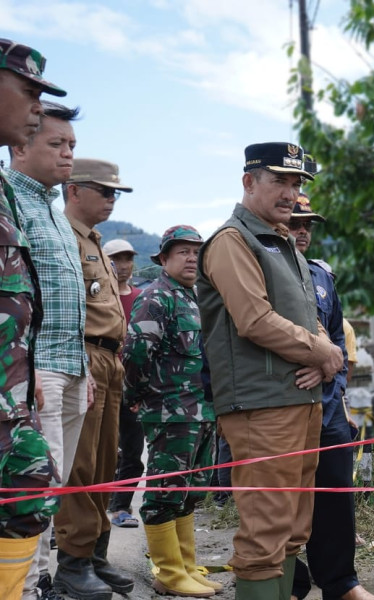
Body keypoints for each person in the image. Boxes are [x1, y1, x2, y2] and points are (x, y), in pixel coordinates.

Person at [197, 142, 343, 599]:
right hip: (261, 406)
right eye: (279, 180)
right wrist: (321, 353)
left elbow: (309, 315)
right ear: (248, 181)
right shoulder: (232, 241)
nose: (290, 192)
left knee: (293, 527)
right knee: (265, 533)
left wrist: (321, 355)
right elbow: (255, 320)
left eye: (296, 182)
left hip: (299, 400)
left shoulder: (284, 244)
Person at [6, 99, 87, 600]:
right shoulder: (9, 201)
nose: (67, 156)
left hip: (71, 366)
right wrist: (26, 365)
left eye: (72, 146)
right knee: (34, 487)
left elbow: (67, 297)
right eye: (56, 144)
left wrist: (87, 371)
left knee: (55, 487)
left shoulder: (54, 212)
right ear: (20, 145)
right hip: (37, 370)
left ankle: (38, 577)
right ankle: (29, 585)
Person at [287, 192, 374, 600]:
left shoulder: (321, 276)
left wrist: (332, 372)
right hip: (284, 405)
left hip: (328, 409)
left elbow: (340, 346)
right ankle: (287, 583)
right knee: (284, 503)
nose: (303, 230)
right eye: (295, 222)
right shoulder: (257, 270)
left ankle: (341, 583)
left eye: (307, 223)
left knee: (336, 496)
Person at [0, 37, 65, 600]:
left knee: (29, 484)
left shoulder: (4, 192)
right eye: (28, 92)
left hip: (12, 386)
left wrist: (26, 372)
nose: (36, 109)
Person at [122, 225, 219, 597]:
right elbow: (134, 355)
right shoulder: (157, 298)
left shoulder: (195, 297)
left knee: (191, 490)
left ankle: (186, 566)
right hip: (170, 411)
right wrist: (138, 395)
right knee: (165, 491)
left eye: (197, 252)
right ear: (163, 259)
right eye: (183, 252)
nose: (192, 258)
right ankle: (167, 571)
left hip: (201, 410)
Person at [55, 158, 135, 599]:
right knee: (81, 463)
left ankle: (95, 555)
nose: (111, 199)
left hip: (109, 360)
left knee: (106, 461)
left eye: (115, 193)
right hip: (82, 355)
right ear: (74, 190)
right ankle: (72, 561)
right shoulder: (61, 236)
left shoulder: (96, 243)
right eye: (105, 191)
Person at [101, 238, 144, 529]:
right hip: (102, 378)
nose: (123, 266)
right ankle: (79, 515)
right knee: (97, 450)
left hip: (133, 384)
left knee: (132, 448)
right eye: (116, 259)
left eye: (128, 259)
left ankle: (120, 507)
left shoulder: (142, 297)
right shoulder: (98, 296)